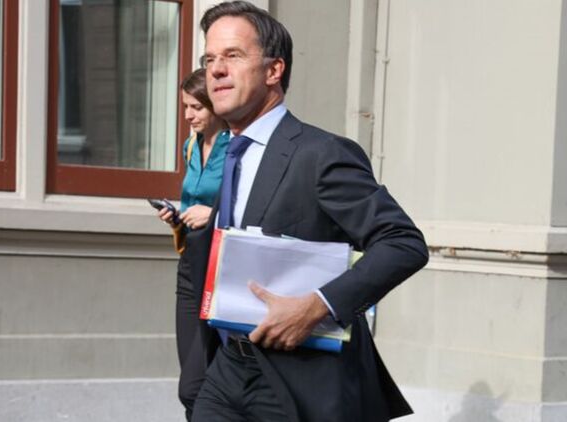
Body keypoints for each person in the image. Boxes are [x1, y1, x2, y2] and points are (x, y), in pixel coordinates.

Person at [184, 2, 429, 421]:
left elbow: (403, 243)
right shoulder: (230, 153)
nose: (216, 70)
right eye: (210, 59)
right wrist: (195, 373)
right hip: (226, 372)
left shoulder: (320, 154)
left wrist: (318, 306)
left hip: (300, 380)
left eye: (233, 56)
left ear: (274, 70)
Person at [154, 68, 229, 420]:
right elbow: (193, 200)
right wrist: (178, 215)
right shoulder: (190, 146)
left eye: (196, 107)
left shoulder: (236, 148)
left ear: (215, 106)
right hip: (190, 264)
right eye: (185, 106)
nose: (188, 115)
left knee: (197, 386)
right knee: (191, 384)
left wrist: (212, 214)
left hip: (221, 268)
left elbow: (249, 207)